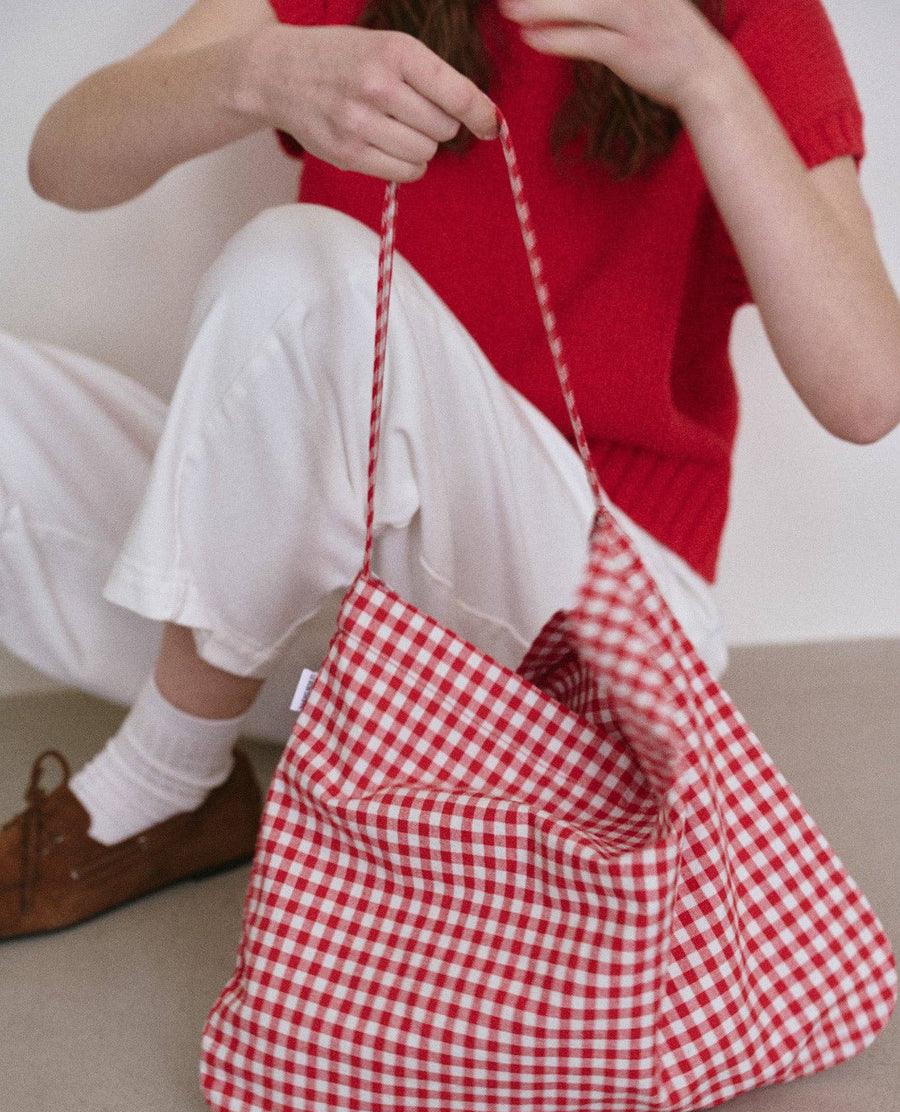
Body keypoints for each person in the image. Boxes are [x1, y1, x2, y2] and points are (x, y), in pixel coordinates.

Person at [1, 0, 899, 938]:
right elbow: (62, 161)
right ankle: (295, 743)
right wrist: (257, 73)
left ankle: (166, 774)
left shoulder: (751, 15)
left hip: (588, 643)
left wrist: (706, 77)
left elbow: (868, 392)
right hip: (349, 645)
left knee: (298, 269)